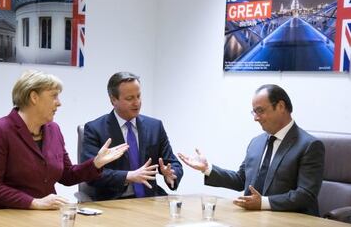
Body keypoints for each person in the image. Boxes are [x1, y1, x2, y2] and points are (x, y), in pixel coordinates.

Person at [0, 70, 129, 210]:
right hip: (6, 215)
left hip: (45, 216)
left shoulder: (53, 129)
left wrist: (96, 163)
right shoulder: (1, 129)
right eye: (54, 96)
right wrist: (34, 202)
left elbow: (67, 175)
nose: (59, 102)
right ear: (34, 97)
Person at [178, 84, 325, 216]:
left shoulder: (309, 145)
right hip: (254, 219)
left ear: (280, 106)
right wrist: (207, 169)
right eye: (253, 112)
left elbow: (306, 195)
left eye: (260, 111)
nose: (255, 118)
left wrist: (263, 203)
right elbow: (241, 180)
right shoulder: (257, 142)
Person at [81, 72, 183, 200]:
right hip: (114, 202)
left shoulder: (155, 126)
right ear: (113, 100)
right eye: (130, 98)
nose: (137, 103)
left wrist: (172, 174)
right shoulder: (95, 129)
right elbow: (90, 175)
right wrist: (128, 176)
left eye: (138, 96)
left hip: (149, 199)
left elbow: (173, 163)